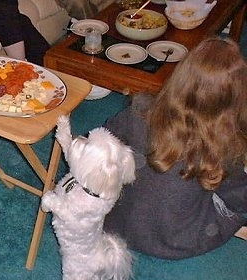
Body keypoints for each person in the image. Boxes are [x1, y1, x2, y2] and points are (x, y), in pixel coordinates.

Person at [103, 36, 247, 260]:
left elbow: (104, 137)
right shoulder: (224, 145)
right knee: (232, 199)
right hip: (177, 241)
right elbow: (240, 199)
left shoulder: (139, 111)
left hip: (120, 222)